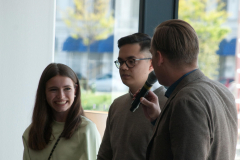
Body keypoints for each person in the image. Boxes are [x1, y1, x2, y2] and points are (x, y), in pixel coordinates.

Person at [138, 19, 238, 160]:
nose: (152, 63)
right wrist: (157, 119)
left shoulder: (187, 100)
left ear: (159, 57)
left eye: (152, 55)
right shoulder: (224, 92)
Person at [97, 33, 167, 160]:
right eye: (121, 61)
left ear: (152, 64)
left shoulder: (168, 103)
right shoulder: (117, 105)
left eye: (131, 61)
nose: (123, 67)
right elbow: (105, 155)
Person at [22, 63, 101, 160]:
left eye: (67, 88)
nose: (61, 96)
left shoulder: (87, 130)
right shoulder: (31, 133)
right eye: (53, 89)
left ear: (75, 90)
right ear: (44, 92)